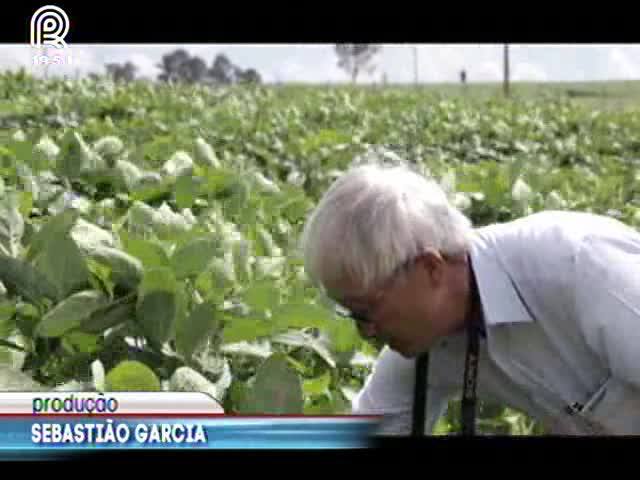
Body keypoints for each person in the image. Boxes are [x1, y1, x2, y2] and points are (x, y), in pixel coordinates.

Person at [300, 161, 640, 435]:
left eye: (367, 311)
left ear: (431, 268)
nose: (366, 332)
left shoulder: (580, 267)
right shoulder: (424, 345)